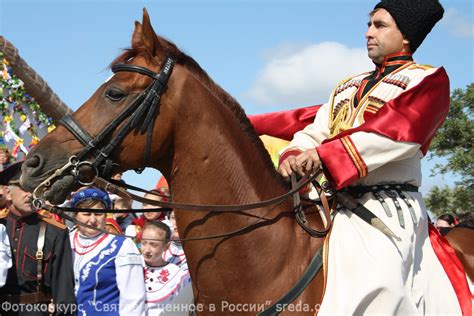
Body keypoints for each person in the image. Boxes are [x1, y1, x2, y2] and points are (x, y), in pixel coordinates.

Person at [276, 1, 469, 314]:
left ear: (405, 35)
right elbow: (316, 129)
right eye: (369, 25)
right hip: (333, 205)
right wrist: (294, 152)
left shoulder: (427, 81)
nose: (368, 33)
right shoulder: (346, 86)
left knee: (385, 284)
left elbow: (399, 134)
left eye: (379, 26)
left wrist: (323, 155)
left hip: (388, 207)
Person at [0, 161, 76, 315]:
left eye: (36, 189)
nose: (31, 195)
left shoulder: (55, 232)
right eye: (25, 188)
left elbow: (64, 290)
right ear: (8, 193)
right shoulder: (0, 227)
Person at [69, 187, 145, 315]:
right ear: (75, 215)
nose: (92, 220)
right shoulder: (66, 241)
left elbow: (133, 299)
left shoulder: (122, 245)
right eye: (86, 214)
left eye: (98, 214)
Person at [141, 221, 190, 315]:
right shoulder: (132, 267)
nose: (146, 250)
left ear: (166, 247)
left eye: (153, 244)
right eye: (144, 243)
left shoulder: (177, 275)